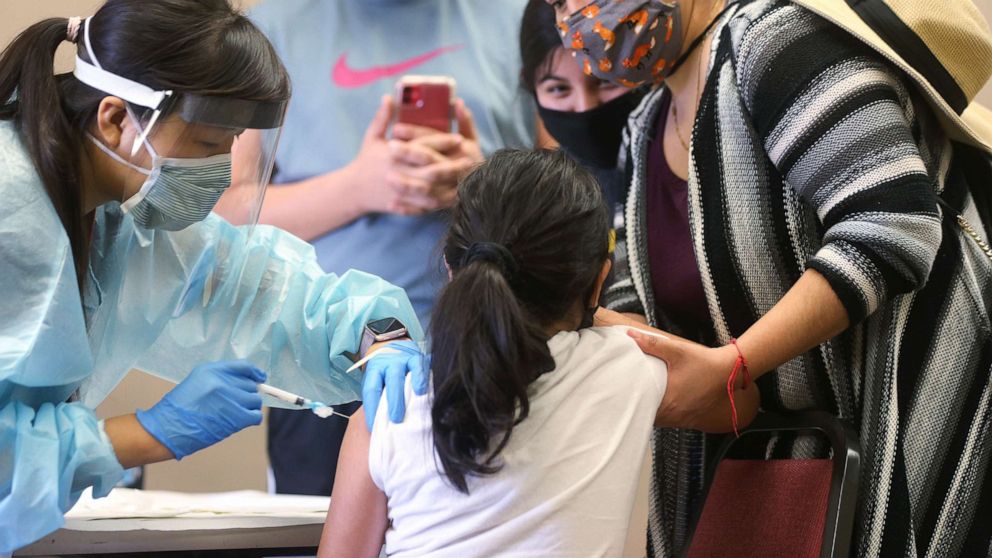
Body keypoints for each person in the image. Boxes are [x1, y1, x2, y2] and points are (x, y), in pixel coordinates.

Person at [548, 0, 992, 555]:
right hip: (777, 471)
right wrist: (627, 340)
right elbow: (631, 285)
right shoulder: (643, 124)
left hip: (905, 428)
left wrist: (733, 365)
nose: (577, 15)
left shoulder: (774, 40)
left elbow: (890, 222)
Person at [0, 1, 425, 552]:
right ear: (114, 118)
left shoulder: (125, 213)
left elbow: (258, 292)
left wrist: (376, 335)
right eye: (205, 146)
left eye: (229, 148)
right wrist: (149, 432)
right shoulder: (13, 212)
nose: (219, 171)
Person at [316, 148, 688, 557]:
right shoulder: (629, 368)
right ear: (599, 279)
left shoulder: (386, 410)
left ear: (453, 269)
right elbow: (737, 393)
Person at [234, 0, 536, 498]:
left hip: (490, 357)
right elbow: (224, 212)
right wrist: (358, 188)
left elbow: (573, 197)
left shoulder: (522, 16)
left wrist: (485, 186)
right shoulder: (271, 27)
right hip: (326, 369)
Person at [519, 0, 646, 215]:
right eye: (559, 88)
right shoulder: (541, 208)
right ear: (530, 86)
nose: (585, 107)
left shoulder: (683, 167)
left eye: (606, 80)